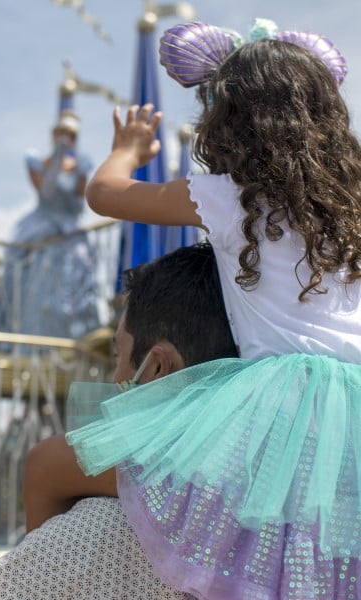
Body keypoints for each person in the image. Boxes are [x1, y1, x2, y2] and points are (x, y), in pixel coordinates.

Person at [39, 17, 361, 600]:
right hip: (353, 404)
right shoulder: (353, 205)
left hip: (273, 405)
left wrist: (126, 150)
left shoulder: (230, 194)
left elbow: (104, 194)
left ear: (231, 120)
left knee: (59, 471)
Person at [0, 242, 237, 599]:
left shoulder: (106, 536)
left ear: (155, 367)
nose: (113, 375)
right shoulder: (274, 535)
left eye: (117, 352)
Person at [0, 109, 100, 339]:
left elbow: (78, 200)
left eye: (70, 135)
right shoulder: (36, 162)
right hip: (40, 232)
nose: (65, 138)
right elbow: (46, 192)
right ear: (53, 135)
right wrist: (57, 160)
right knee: (34, 293)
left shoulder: (81, 165)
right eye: (61, 133)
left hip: (71, 236)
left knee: (73, 289)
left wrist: (70, 167)